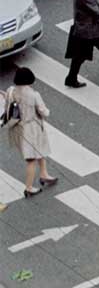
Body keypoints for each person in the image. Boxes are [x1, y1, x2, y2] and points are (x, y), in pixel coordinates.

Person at [5, 68, 58, 198]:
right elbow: (44, 112)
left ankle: (44, 174)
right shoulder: (34, 95)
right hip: (32, 130)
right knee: (31, 159)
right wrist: (46, 111)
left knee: (39, 151)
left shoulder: (10, 91)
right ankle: (28, 188)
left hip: (18, 128)